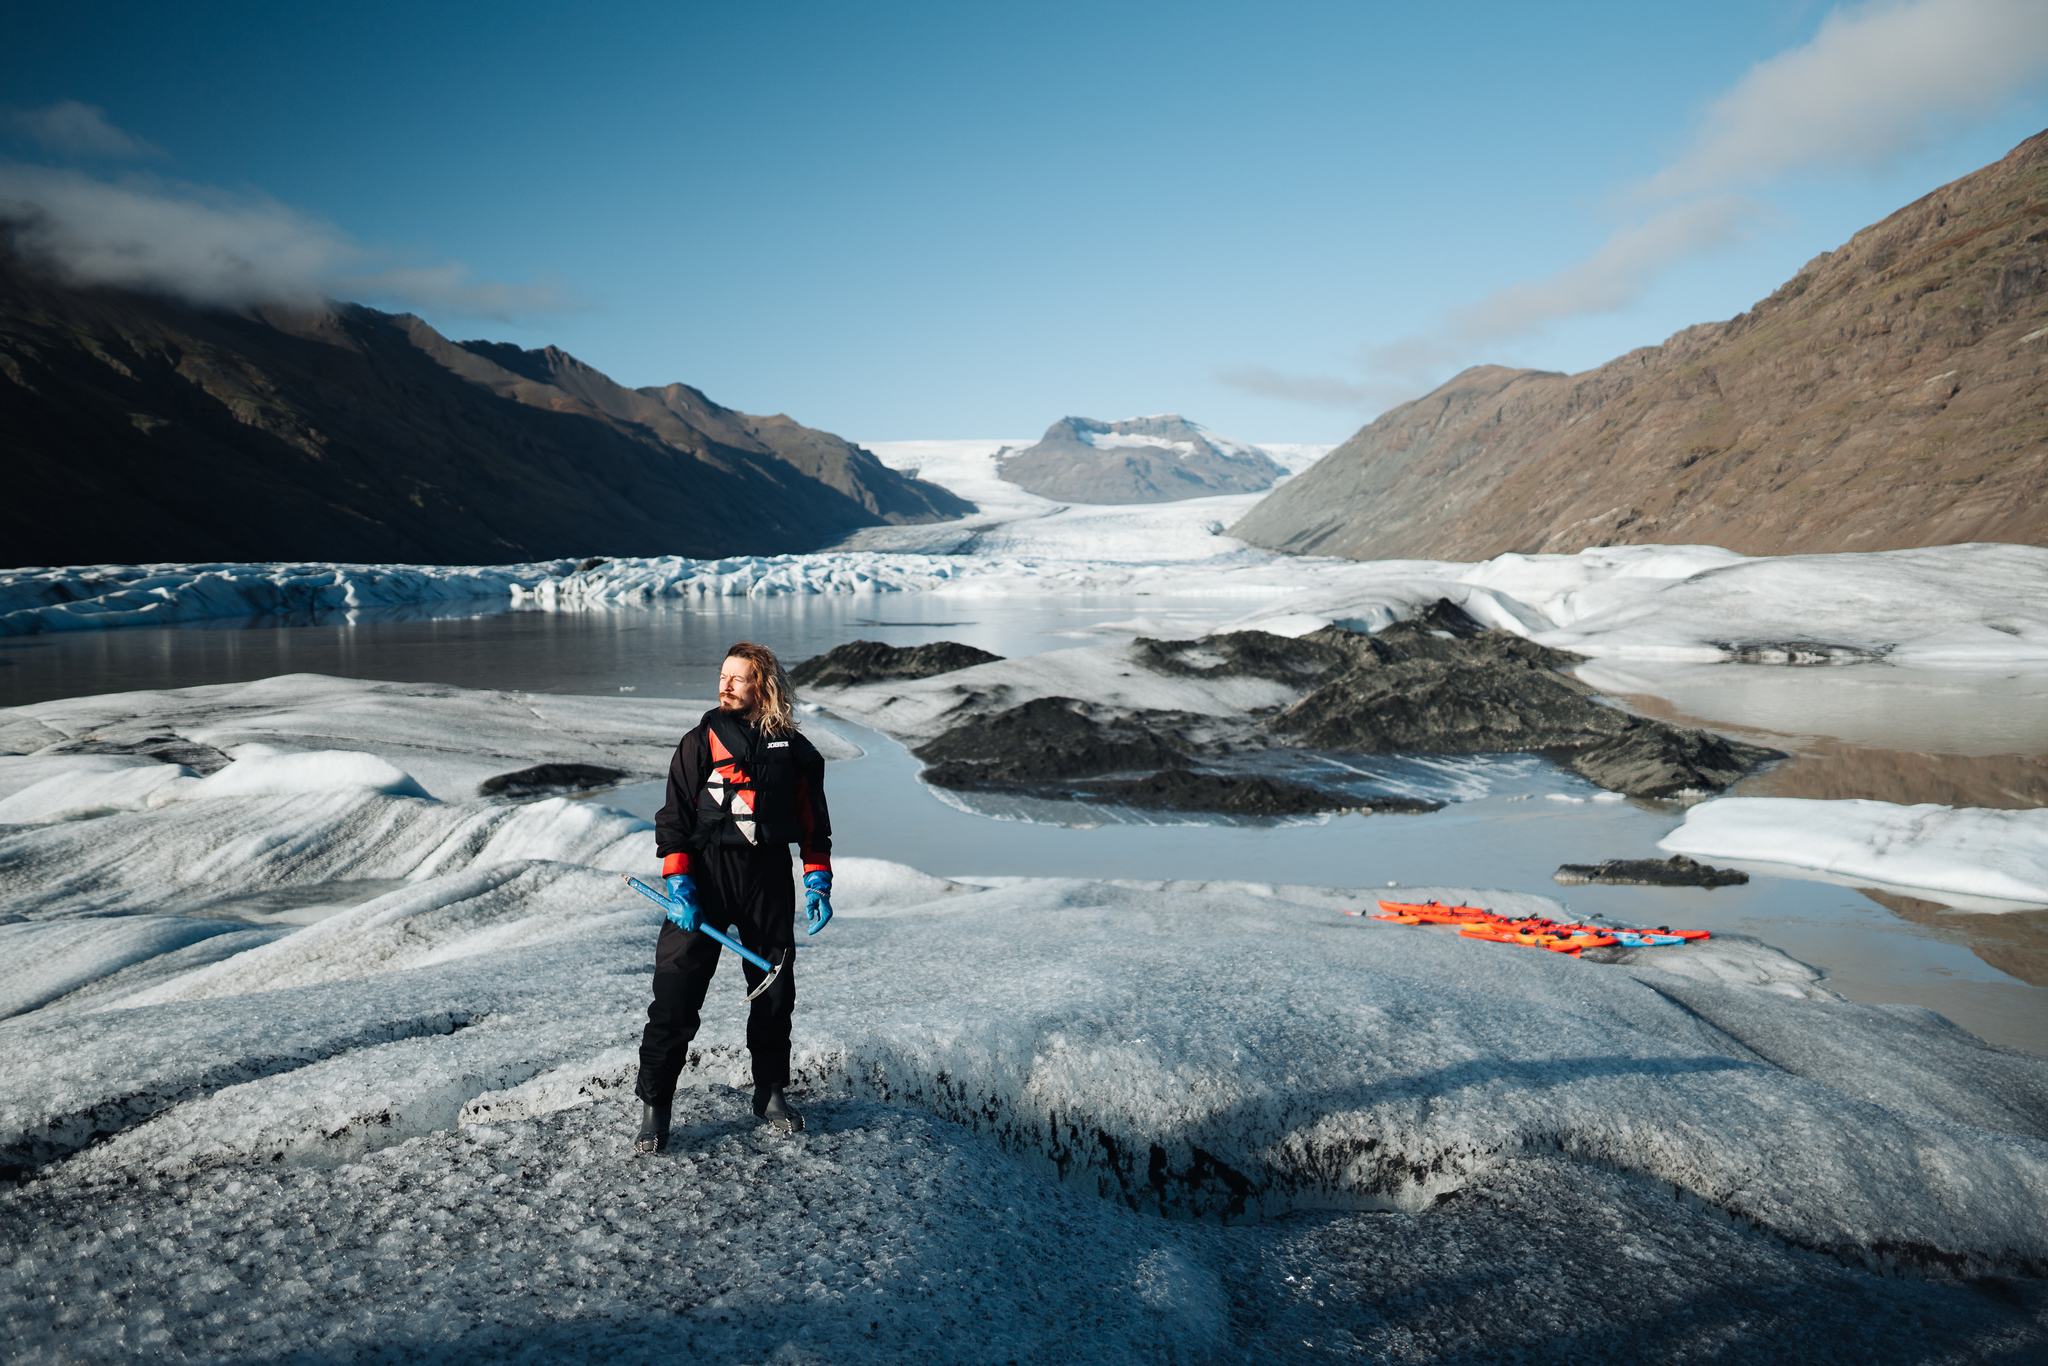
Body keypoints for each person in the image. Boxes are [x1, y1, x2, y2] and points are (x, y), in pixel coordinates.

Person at [633, 641, 834, 1153]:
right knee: (675, 993)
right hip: (706, 875)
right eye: (722, 675)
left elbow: (814, 824)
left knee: (774, 993)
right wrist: (679, 882)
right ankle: (656, 1108)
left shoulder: (799, 751)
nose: (724, 684)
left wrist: (817, 880)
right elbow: (674, 817)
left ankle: (769, 1093)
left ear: (761, 686)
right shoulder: (699, 741)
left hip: (767, 876)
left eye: (737, 678)